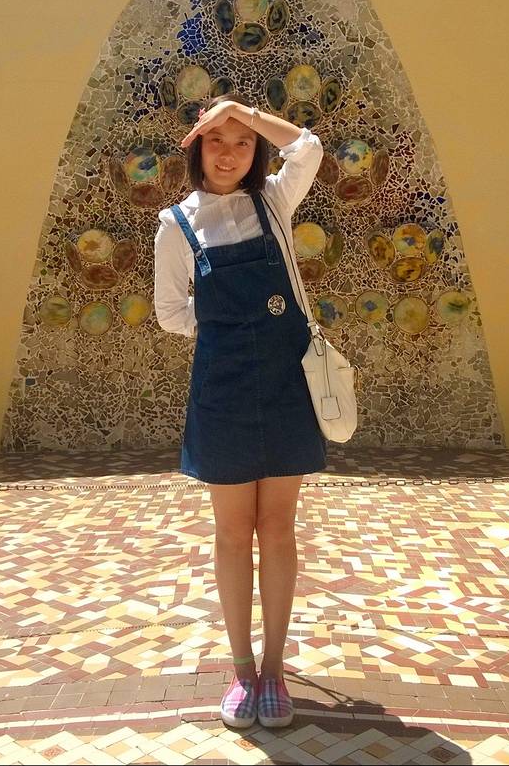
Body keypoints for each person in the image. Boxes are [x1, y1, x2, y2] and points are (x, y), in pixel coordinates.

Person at [154, 93, 326, 729]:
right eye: (216, 141)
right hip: (222, 390)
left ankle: (275, 671)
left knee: (277, 528)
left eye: (242, 143)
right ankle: (242, 671)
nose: (228, 154)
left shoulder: (273, 202)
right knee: (231, 533)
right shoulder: (177, 223)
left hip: (285, 383)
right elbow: (171, 313)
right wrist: (227, 328)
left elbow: (306, 148)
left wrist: (244, 112)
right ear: (196, 148)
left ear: (255, 151)